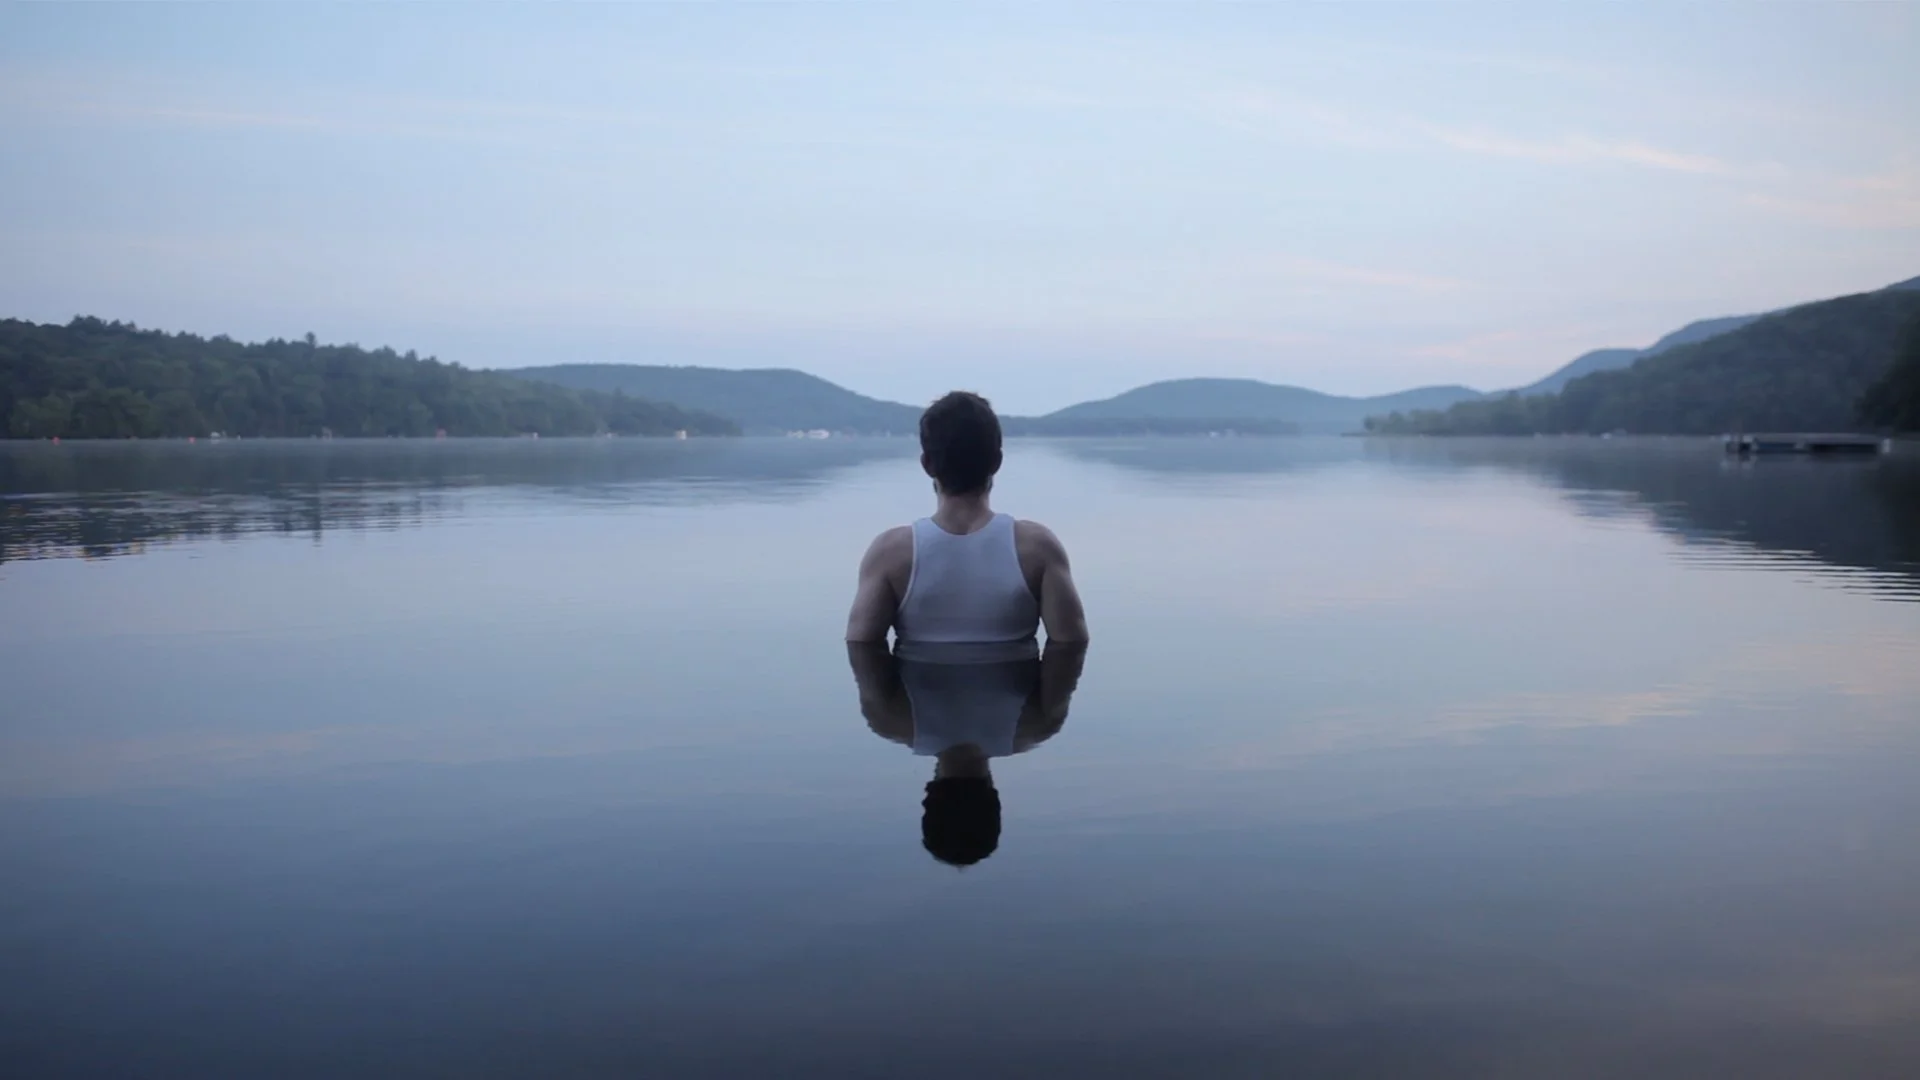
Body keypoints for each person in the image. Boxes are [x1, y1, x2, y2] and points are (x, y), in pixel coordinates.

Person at [844, 390, 1089, 647]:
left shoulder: (889, 552)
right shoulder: (1037, 547)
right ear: (997, 462)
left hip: (916, 687)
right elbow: (1071, 645)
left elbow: (861, 648)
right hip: (1016, 688)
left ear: (927, 464)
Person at [847, 638, 1086, 866]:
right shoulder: (888, 720)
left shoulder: (1038, 726)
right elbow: (863, 641)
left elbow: (1070, 643)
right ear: (928, 798)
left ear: (995, 800)